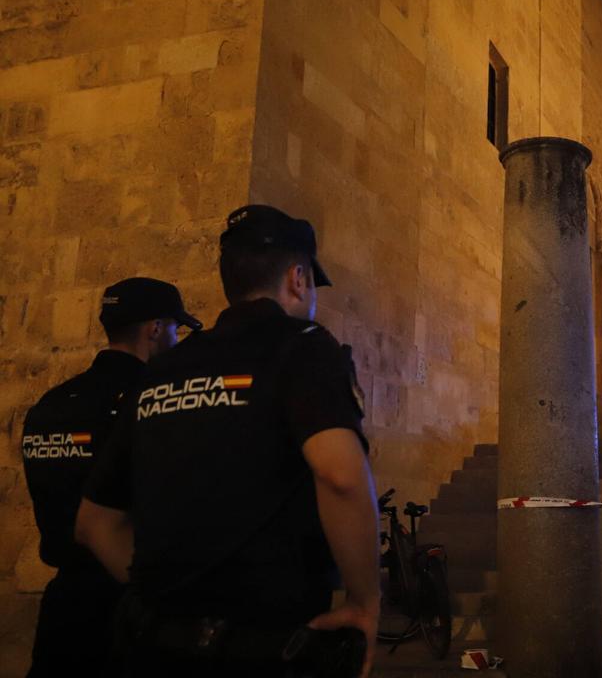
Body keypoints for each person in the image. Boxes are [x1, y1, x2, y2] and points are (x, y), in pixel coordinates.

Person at [76, 205, 379, 678]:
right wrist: (364, 601)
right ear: (298, 278)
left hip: (152, 646)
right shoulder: (302, 344)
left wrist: (165, 594)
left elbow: (95, 523)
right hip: (267, 648)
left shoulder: (162, 369)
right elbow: (340, 475)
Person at [22, 278, 201, 677]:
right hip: (128, 611)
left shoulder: (49, 405)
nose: (176, 339)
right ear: (156, 328)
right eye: (176, 329)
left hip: (64, 609)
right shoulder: (153, 401)